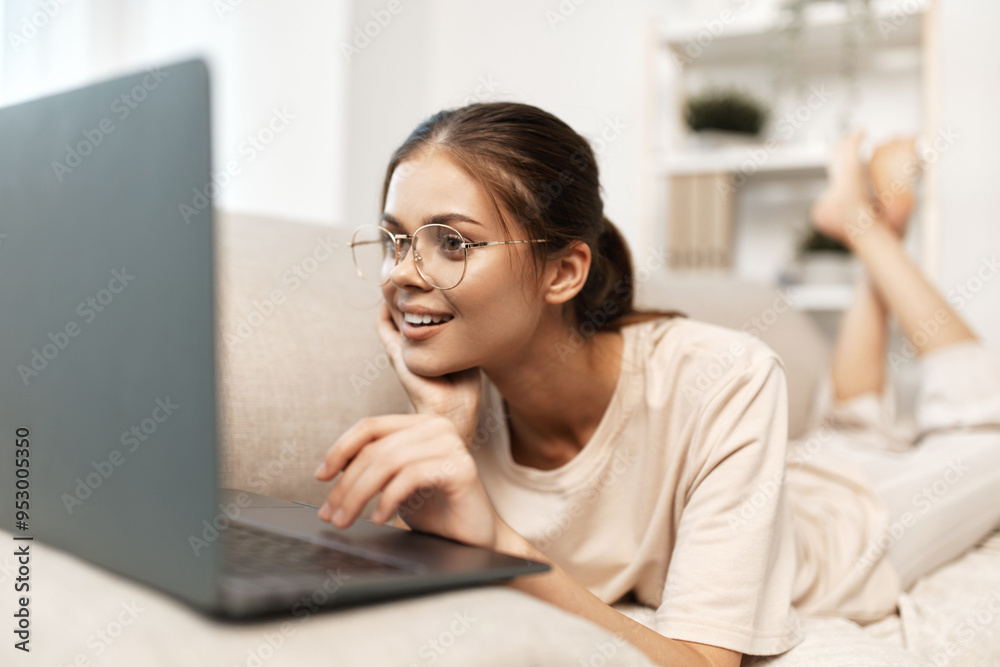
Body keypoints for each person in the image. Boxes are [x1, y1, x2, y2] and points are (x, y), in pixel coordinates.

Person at [311, 102, 1000, 667]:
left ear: (563, 272)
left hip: (853, 520)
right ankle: (877, 226)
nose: (400, 272)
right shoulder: (459, 417)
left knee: (984, 425)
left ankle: (858, 224)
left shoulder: (723, 372)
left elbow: (702, 661)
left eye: (452, 243)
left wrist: (498, 543)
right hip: (799, 466)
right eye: (395, 240)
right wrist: (446, 429)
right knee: (856, 421)